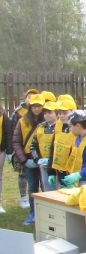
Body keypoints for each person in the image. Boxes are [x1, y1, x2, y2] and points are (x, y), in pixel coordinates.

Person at [12, 93, 45, 224]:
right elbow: (16, 142)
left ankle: (46, 213)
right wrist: (24, 161)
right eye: (34, 106)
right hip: (28, 159)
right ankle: (33, 214)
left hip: (43, 160)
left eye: (39, 106)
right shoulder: (22, 121)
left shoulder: (46, 121)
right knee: (32, 187)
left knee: (45, 187)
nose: (36, 109)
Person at [9, 88, 39, 210]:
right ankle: (25, 200)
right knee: (26, 179)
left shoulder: (46, 118)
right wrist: (21, 157)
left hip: (39, 157)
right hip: (25, 155)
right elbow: (14, 135)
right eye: (29, 97)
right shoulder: (19, 114)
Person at [30, 101, 59, 192]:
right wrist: (38, 159)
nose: (47, 115)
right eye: (45, 113)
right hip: (44, 165)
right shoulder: (40, 127)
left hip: (58, 165)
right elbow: (33, 146)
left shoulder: (61, 127)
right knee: (47, 190)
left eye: (50, 113)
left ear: (57, 114)